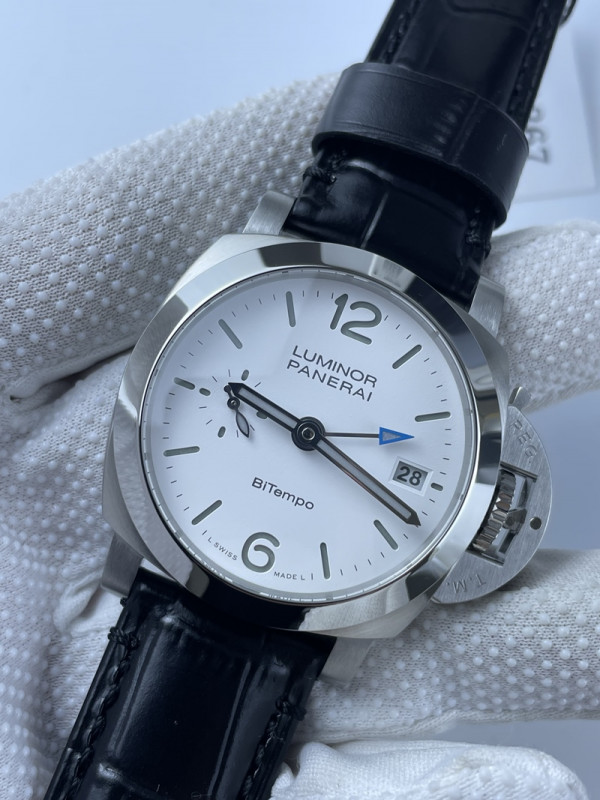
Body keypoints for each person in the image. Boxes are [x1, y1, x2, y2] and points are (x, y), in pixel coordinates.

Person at [0, 75, 598, 800]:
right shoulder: (253, 263)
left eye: (306, 431)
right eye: (302, 427)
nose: (307, 432)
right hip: (180, 554)